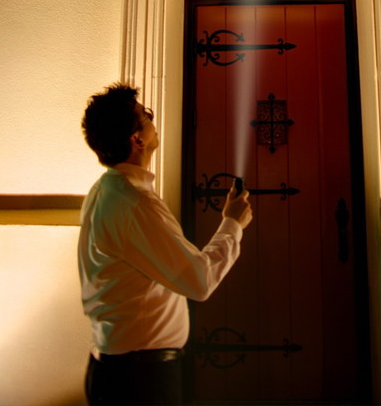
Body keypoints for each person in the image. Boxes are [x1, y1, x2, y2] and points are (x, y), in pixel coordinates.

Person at [78, 83, 252, 406]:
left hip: (120, 370)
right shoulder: (134, 204)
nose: (152, 118)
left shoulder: (104, 191)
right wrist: (232, 223)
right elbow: (199, 281)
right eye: (146, 115)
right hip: (139, 381)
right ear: (137, 139)